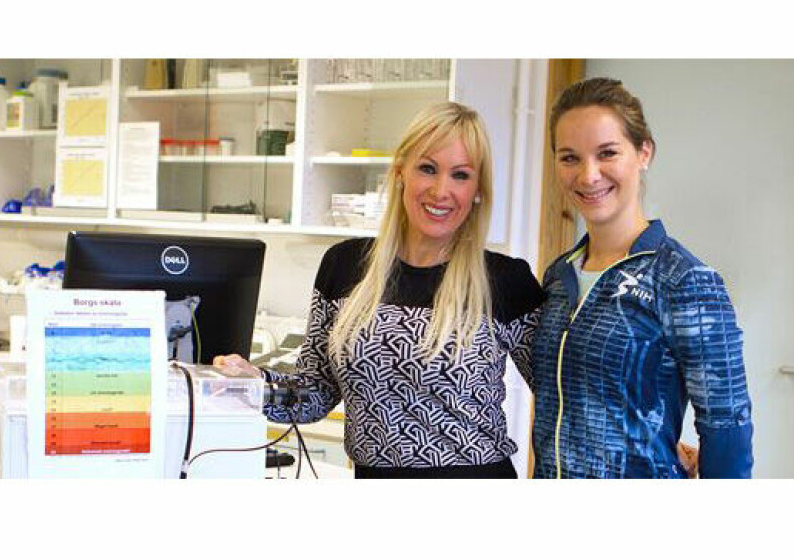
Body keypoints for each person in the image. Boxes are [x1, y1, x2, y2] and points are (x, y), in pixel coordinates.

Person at [215, 101, 544, 478]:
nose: (441, 190)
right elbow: (314, 394)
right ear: (401, 171)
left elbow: (561, 401)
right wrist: (253, 384)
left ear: (478, 191)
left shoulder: (505, 281)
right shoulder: (344, 266)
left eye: (461, 175)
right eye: (427, 168)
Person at [530, 77, 754, 478]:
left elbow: (728, 430)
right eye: (569, 157)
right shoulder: (557, 276)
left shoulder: (684, 279)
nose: (588, 175)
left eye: (607, 153)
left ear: (644, 151)